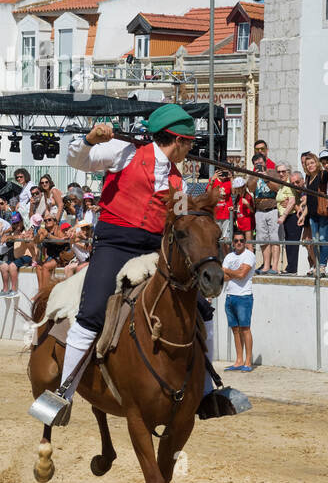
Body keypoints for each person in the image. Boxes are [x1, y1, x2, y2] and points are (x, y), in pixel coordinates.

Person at [28, 103, 243, 427]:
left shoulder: (178, 182)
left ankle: (205, 390)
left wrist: (204, 207)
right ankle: (64, 393)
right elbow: (77, 160)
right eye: (188, 143)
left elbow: (182, 220)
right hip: (116, 243)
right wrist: (90, 138)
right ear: (177, 140)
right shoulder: (124, 152)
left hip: (154, 248)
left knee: (202, 308)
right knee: (92, 313)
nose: (190, 150)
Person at [222, 232, 256, 371]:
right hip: (230, 296)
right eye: (236, 241)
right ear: (233, 242)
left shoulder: (249, 255)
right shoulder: (229, 256)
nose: (239, 243)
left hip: (244, 296)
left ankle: (248, 362)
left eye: (241, 240)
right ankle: (239, 360)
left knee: (245, 328)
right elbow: (222, 277)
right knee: (235, 330)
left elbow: (242, 275)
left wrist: (227, 270)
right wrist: (235, 272)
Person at [302, 152, 328, 275]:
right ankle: (317, 263)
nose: (310, 166)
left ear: (316, 163)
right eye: (307, 164)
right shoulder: (308, 177)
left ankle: (322, 265)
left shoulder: (323, 174)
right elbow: (309, 199)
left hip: (322, 212)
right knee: (315, 240)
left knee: (323, 239)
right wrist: (304, 215)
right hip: (312, 214)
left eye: (312, 163)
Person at [252, 156, 281, 275]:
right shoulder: (252, 175)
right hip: (259, 210)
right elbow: (250, 188)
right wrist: (255, 177)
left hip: (272, 209)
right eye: (256, 163)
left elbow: (277, 188)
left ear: (265, 162)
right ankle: (266, 265)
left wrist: (266, 178)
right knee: (263, 240)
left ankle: (274, 267)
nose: (259, 164)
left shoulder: (272, 173)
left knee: (274, 239)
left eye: (260, 162)